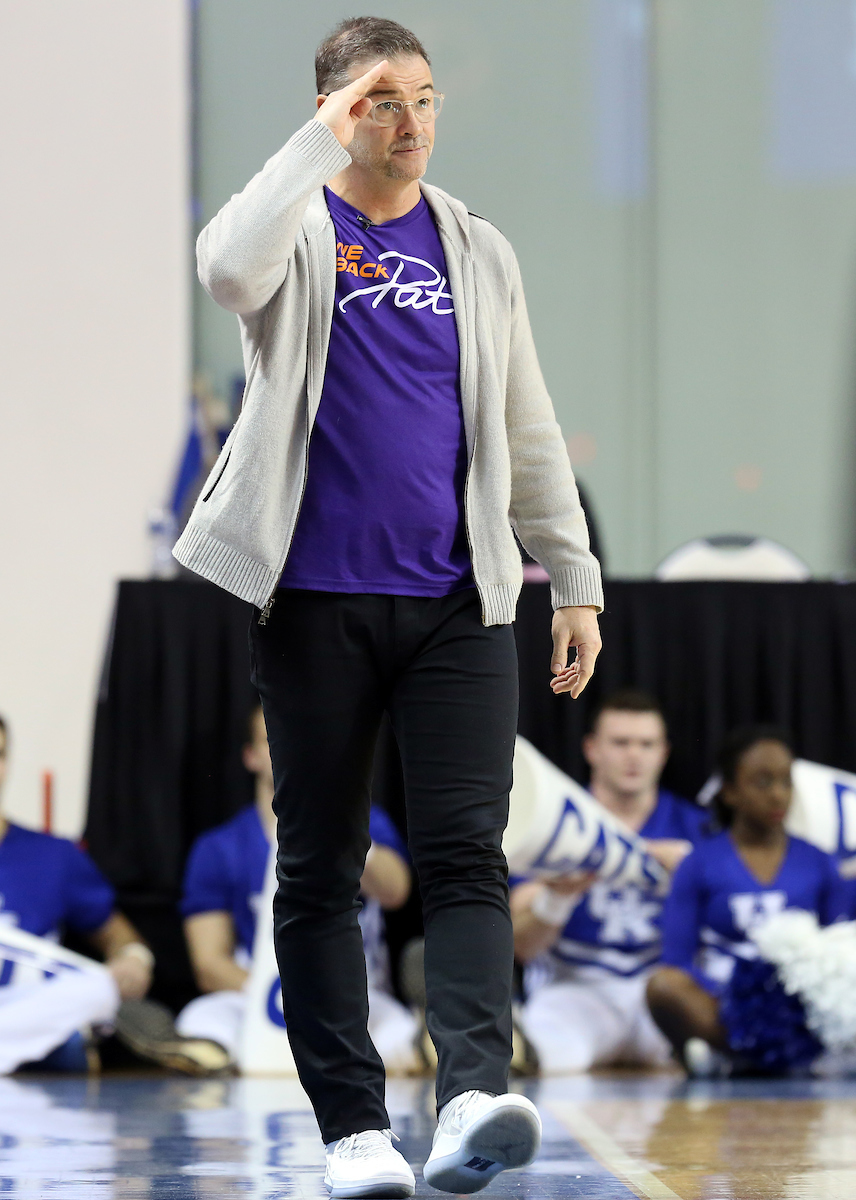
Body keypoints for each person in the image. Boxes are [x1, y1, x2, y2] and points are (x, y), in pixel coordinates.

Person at [173, 16, 604, 1197]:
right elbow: (222, 267)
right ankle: (355, 1132)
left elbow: (524, 422)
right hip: (313, 600)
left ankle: (471, 1094)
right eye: (380, 103)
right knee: (320, 865)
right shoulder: (297, 230)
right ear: (333, 114)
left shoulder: (477, 247)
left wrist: (571, 577)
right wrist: (315, 145)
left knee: (469, 852)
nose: (408, 124)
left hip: (461, 599)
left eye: (422, 101)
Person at [177, 708, 419, 1072]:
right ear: (252, 756)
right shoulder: (219, 847)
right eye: (274, 741)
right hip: (258, 997)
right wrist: (277, 1000)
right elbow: (209, 963)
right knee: (202, 1020)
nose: (291, 751)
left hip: (357, 998)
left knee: (398, 1037)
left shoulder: (366, 821)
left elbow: (396, 890)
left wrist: (343, 833)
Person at [511, 690, 706, 1072]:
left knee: (708, 1049)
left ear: (663, 752)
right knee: (549, 1051)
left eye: (646, 744)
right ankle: (497, 1043)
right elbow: (520, 945)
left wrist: (692, 873)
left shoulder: (696, 829)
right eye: (620, 743)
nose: (634, 755)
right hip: (576, 990)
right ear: (591, 749)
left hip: (663, 989)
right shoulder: (556, 822)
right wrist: (556, 896)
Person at [646, 726, 849, 1076]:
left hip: (801, 1005)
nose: (778, 795)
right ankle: (739, 1050)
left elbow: (841, 949)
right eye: (762, 782)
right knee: (663, 986)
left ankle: (739, 1058)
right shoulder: (699, 863)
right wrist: (736, 999)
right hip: (724, 1006)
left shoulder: (818, 861)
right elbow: (677, 959)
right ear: (729, 792)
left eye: (786, 781)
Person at [0, 706, 152, 1074]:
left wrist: (133, 958)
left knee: (97, 987)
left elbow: (115, 933)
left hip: (26, 1009)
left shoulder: (54, 855)